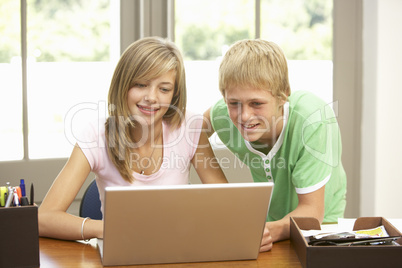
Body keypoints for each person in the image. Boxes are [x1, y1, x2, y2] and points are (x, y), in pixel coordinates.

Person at [38, 37, 227, 241]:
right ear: (123, 85)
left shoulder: (189, 127)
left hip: (175, 247)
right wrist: (105, 229)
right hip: (121, 250)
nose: (151, 97)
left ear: (174, 95)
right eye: (141, 84)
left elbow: (229, 204)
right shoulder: (97, 135)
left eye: (164, 89)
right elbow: (45, 218)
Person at [204, 39, 347, 252]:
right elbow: (192, 133)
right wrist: (221, 188)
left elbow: (312, 211)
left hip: (320, 228)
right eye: (233, 103)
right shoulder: (222, 114)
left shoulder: (313, 121)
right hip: (270, 222)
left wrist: (257, 231)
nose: (244, 116)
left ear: (284, 94)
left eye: (257, 103)